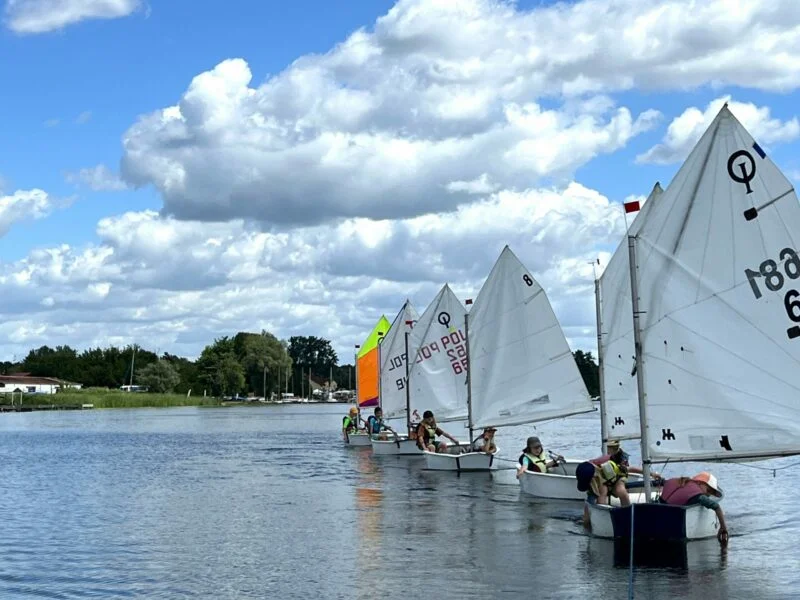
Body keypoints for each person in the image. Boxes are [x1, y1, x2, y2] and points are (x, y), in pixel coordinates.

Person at [659, 472, 729, 544]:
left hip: (663, 512)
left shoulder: (678, 482)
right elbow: (717, 507)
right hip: (676, 522)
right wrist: (723, 527)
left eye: (711, 494)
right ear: (699, 483)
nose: (708, 495)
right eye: (708, 490)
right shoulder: (699, 496)